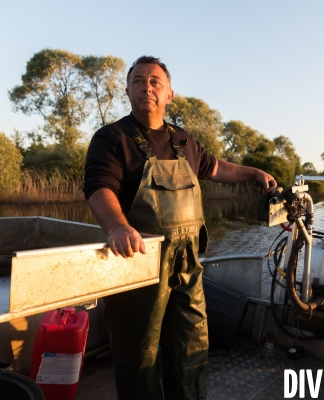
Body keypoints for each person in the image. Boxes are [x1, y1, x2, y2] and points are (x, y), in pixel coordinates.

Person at [84, 55, 276, 400]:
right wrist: (117, 228)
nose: (147, 87)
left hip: (187, 266)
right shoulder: (112, 138)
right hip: (138, 264)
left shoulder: (183, 140)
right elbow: (100, 188)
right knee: (137, 352)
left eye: (155, 81)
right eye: (139, 81)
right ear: (127, 90)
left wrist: (253, 172)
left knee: (192, 345)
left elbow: (217, 168)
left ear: (169, 94)